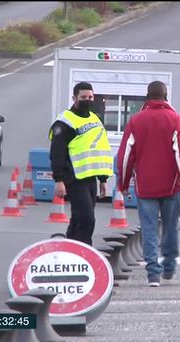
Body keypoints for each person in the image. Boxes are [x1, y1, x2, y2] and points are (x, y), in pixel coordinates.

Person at [116, 81, 180, 288]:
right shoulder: (176, 121)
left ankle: (153, 273)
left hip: (146, 187)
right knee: (170, 227)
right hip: (172, 186)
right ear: (166, 96)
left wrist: (122, 184)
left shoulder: (136, 121)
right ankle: (169, 266)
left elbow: (125, 157)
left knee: (148, 229)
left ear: (147, 97)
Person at [49, 82, 113, 246]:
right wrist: (59, 180)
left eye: (90, 97)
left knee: (79, 218)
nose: (88, 100)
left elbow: (100, 148)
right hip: (74, 178)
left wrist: (103, 179)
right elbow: (57, 153)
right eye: (83, 97)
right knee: (87, 219)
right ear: (74, 98)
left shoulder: (95, 118)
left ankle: (70, 248)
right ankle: (84, 252)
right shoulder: (65, 121)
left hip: (90, 178)